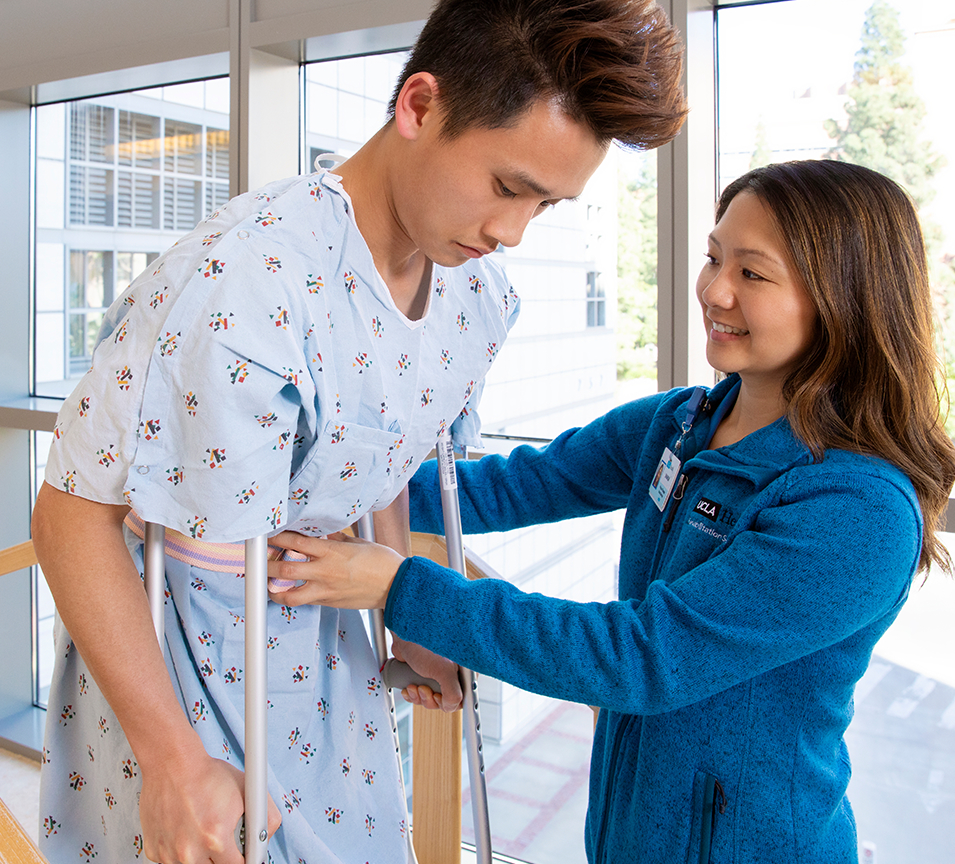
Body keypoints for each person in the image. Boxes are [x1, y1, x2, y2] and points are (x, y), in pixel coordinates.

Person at [31, 1, 687, 863]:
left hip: (329, 649)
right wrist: (171, 760)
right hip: (173, 660)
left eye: (546, 206)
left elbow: (381, 460)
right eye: (505, 186)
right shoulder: (245, 279)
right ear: (418, 106)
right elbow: (69, 517)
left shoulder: (475, 297)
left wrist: (410, 613)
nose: (509, 234)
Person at [268, 160, 955, 863]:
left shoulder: (855, 510)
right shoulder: (680, 425)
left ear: (842, 299)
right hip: (629, 832)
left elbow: (640, 657)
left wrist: (396, 587)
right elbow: (508, 487)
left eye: (752, 274)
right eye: (713, 257)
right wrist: (295, 473)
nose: (713, 291)